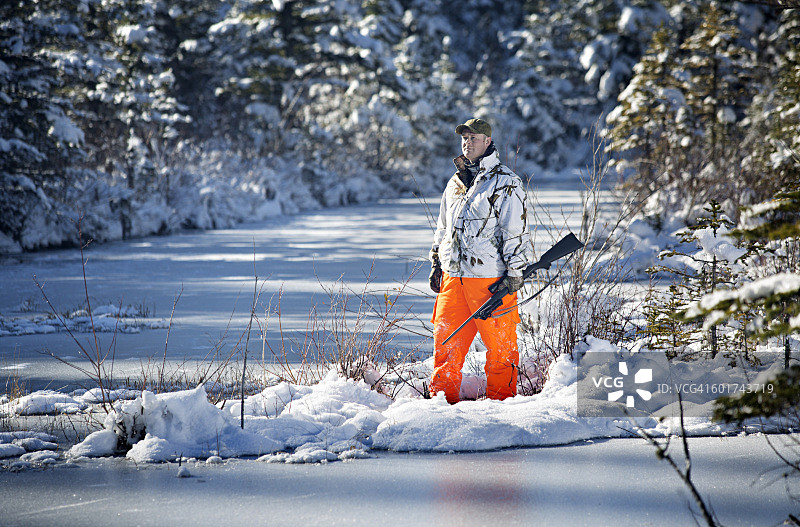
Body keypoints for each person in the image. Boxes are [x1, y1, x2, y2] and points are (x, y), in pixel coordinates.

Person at [428, 117, 534, 404]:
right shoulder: (455, 182)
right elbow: (443, 226)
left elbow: (515, 231)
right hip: (453, 278)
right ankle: (440, 406)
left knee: (501, 350)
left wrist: (514, 273)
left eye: (474, 137)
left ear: (488, 142)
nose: (467, 142)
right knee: (445, 346)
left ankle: (502, 407)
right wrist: (437, 260)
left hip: (490, 280)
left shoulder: (506, 182)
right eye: (464, 137)